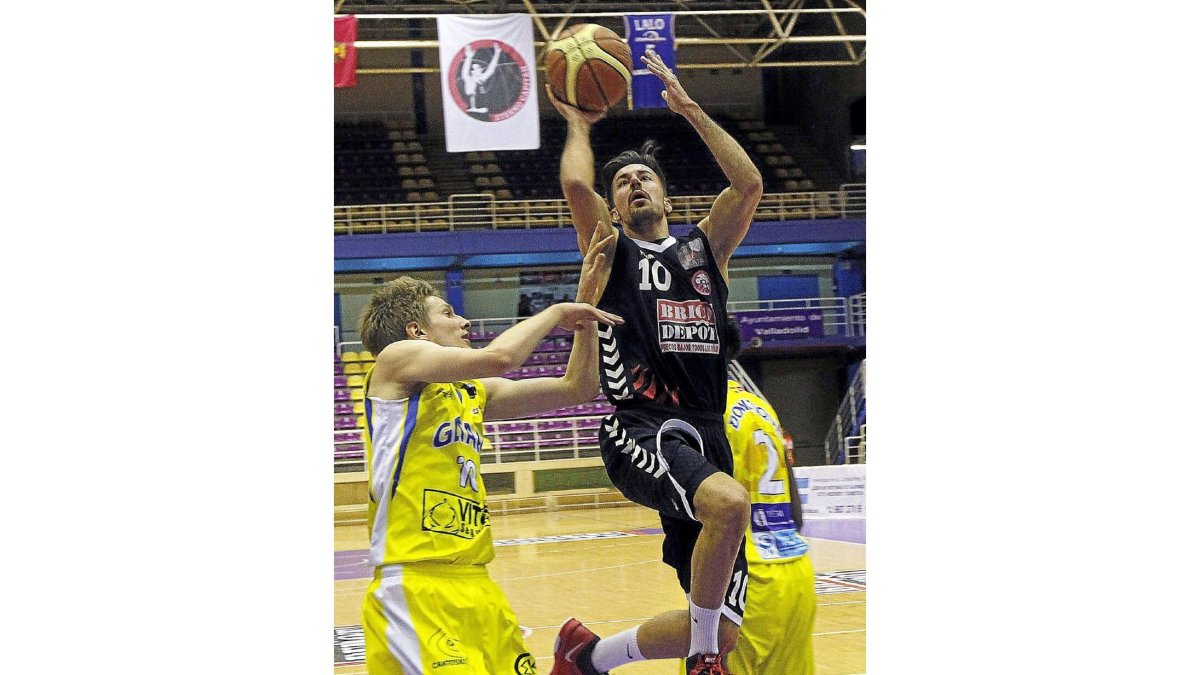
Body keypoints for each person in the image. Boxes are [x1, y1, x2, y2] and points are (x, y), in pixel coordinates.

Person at [547, 49, 764, 675]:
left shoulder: (704, 246)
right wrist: (580, 124)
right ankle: (701, 662)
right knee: (728, 505)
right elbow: (573, 186)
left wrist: (689, 107)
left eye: (645, 176)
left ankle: (588, 657)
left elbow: (748, 185)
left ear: (665, 193)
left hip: (705, 429)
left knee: (723, 628)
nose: (635, 183)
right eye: (623, 182)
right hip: (642, 425)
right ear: (614, 208)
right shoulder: (610, 251)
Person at [357, 226, 620, 674]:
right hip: (417, 584)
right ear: (416, 330)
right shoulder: (395, 360)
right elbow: (502, 357)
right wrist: (555, 310)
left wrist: (586, 316)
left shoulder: (472, 392)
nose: (464, 322)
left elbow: (578, 387)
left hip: (478, 581)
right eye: (449, 313)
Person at [698, 320, 816, 674]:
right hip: (795, 573)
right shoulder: (762, 407)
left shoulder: (702, 414)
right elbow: (795, 510)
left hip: (741, 583)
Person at [461, 42, 502, 113]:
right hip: (472, 110)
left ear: (480, 70)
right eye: (473, 69)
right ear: (471, 72)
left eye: (477, 68)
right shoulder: (469, 80)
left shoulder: (482, 78)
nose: (475, 70)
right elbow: (464, 73)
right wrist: (469, 57)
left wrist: (497, 53)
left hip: (483, 110)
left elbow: (491, 69)